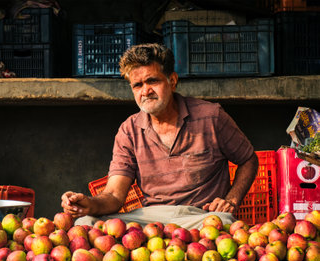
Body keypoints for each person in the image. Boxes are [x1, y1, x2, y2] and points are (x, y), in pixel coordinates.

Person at [61, 43, 259, 229]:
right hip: (151, 219)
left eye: (152, 81)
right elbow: (114, 195)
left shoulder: (211, 116)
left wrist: (231, 200)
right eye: (137, 85)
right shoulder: (129, 130)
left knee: (223, 221)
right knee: (85, 223)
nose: (145, 91)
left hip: (199, 217)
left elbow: (248, 159)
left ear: (172, 81)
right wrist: (88, 204)